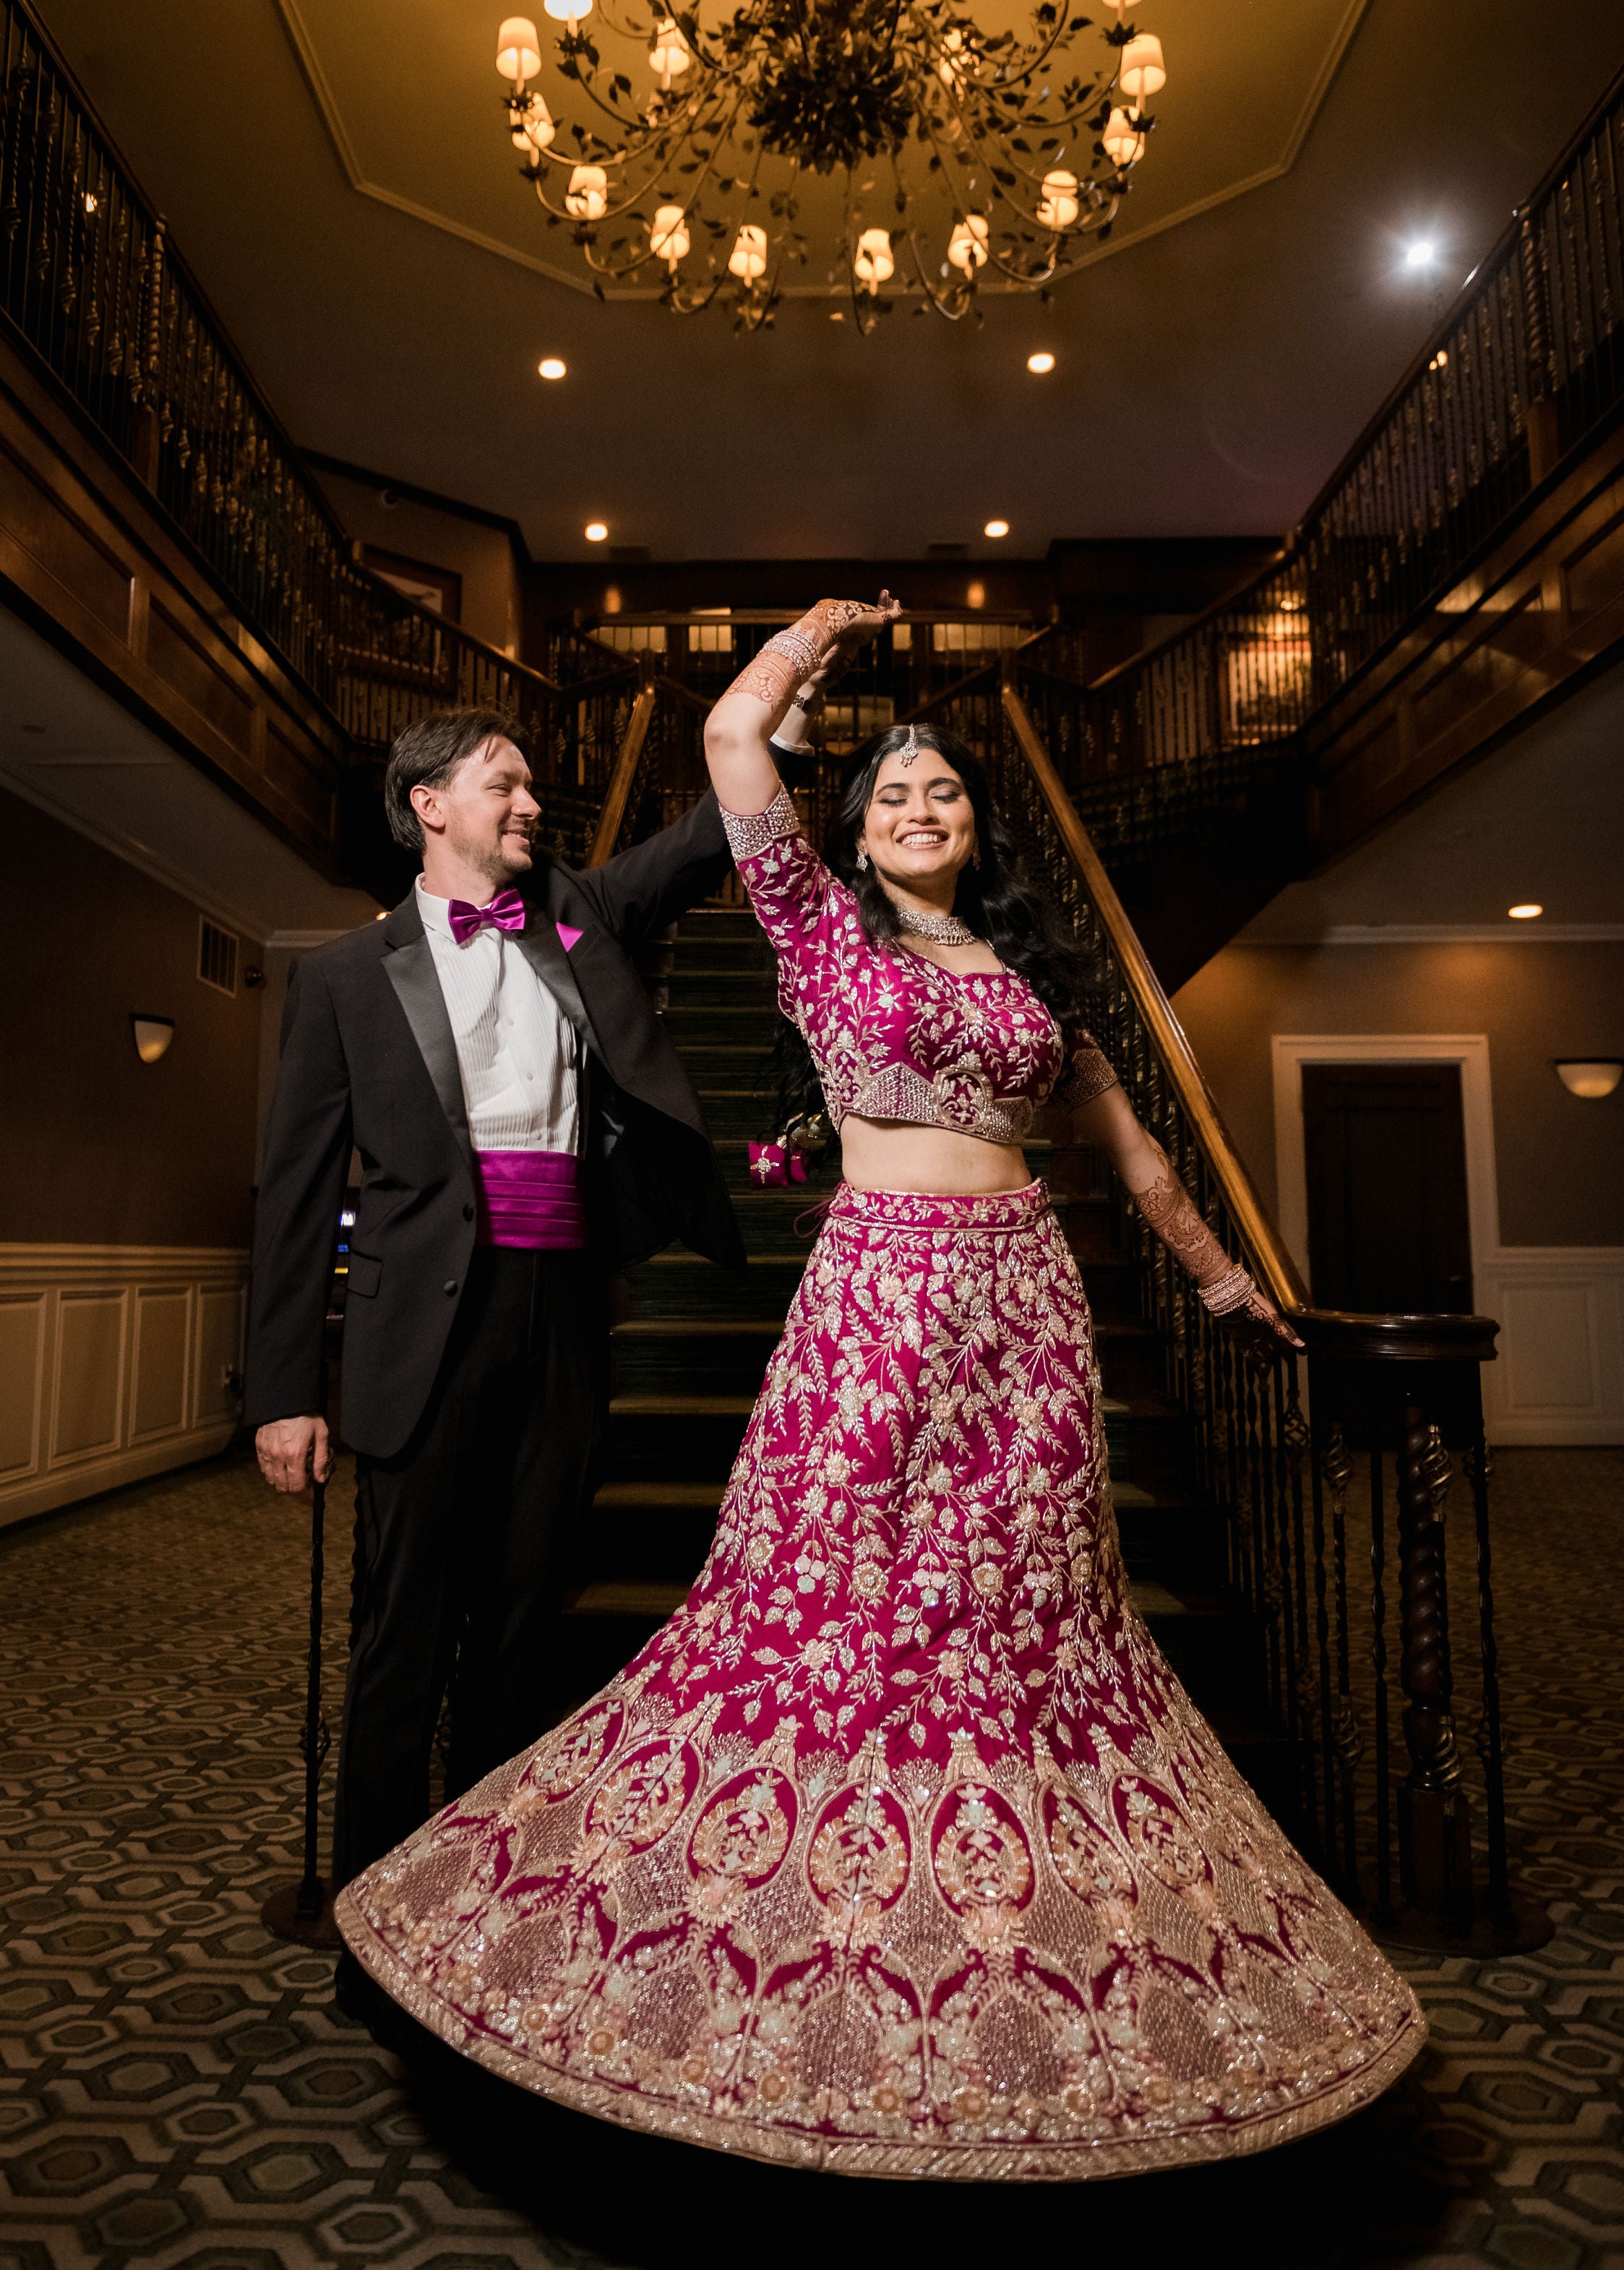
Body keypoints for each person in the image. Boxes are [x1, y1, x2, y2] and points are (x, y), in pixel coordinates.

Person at [335, 606, 1423, 2177]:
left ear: (977, 828)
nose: (919, 812)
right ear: (856, 833)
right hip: (876, 1302)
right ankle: (812, 1936)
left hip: (1023, 1315)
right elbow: (727, 750)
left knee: (1026, 1627)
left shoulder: (1036, 970)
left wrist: (1214, 1278)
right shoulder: (820, 931)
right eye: (892, 797)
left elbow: (1120, 1146)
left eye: (944, 796)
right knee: (826, 1613)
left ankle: (1011, 1959)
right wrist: (797, 653)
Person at [244, 708, 744, 2005]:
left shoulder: (577, 911)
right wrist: (287, 1392)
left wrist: (773, 701)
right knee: (403, 1633)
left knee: (527, 1632)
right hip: (424, 1333)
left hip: (565, 1313)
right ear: (429, 804)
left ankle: (484, 1924)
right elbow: (295, 1194)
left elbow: (701, 843)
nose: (530, 803)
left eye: (529, 785)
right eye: (503, 783)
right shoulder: (346, 977)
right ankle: (372, 1934)